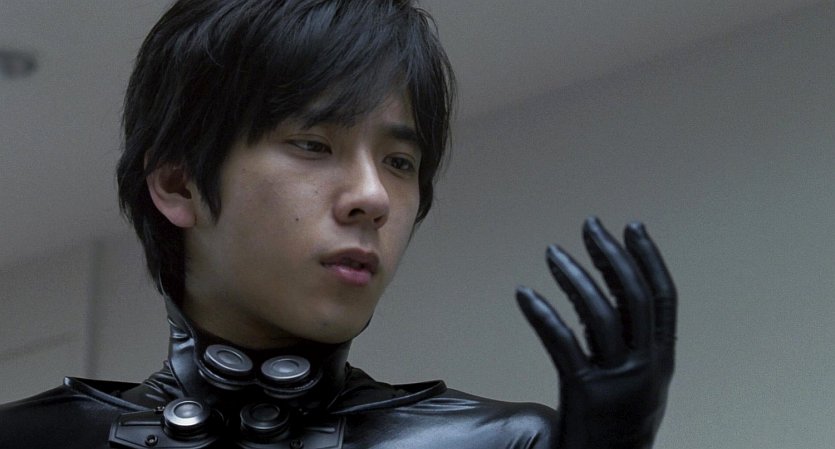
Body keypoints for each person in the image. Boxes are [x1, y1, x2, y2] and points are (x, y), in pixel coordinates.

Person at [0, 1, 677, 448]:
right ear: (178, 183)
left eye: (400, 161)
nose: (373, 196)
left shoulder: (505, 443)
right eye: (313, 144)